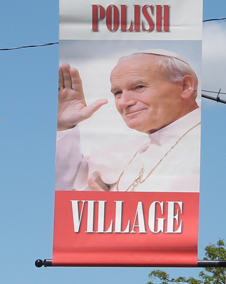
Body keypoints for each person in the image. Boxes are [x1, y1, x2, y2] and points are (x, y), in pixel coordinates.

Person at [55, 50, 201, 192]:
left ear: (185, 86)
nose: (124, 102)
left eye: (139, 87)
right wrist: (64, 125)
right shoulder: (122, 154)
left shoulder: (212, 144)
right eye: (118, 93)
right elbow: (66, 192)